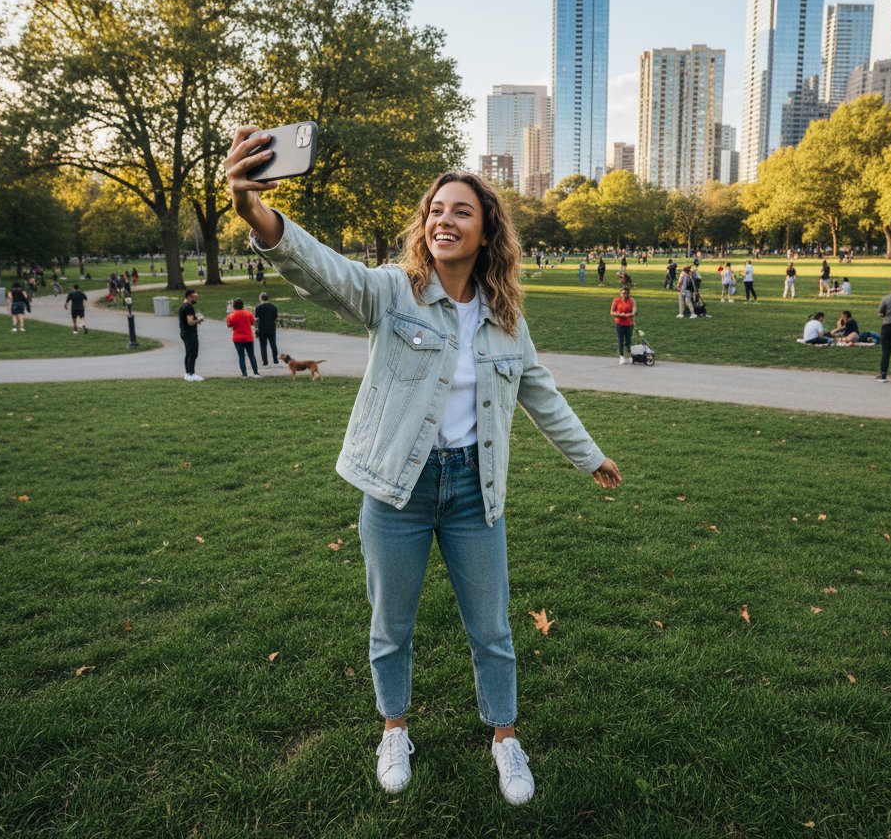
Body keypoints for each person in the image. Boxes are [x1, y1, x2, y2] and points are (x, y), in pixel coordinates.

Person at [225, 129, 621, 805]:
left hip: (474, 491)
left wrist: (589, 456)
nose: (444, 219)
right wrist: (257, 214)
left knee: (491, 627)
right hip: (396, 490)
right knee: (392, 625)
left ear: (487, 230)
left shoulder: (505, 317)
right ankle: (395, 727)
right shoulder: (391, 293)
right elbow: (322, 269)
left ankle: (504, 737)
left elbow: (540, 392)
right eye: (436, 209)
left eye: (461, 210)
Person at [226, 298, 260, 378]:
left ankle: (244, 374)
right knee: (251, 355)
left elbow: (229, 325)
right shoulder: (248, 313)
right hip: (248, 337)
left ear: (234, 306)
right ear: (243, 305)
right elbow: (252, 322)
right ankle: (256, 373)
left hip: (237, 338)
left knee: (241, 356)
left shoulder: (231, 315)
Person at [179, 288, 204, 382]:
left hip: (184, 332)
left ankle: (187, 373)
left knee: (188, 353)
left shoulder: (183, 306)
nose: (195, 299)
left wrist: (196, 318)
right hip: (189, 333)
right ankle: (191, 374)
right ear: (189, 297)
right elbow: (190, 322)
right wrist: (199, 319)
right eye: (194, 297)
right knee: (193, 353)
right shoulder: (189, 307)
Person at [611, 286, 635, 364]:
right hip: (619, 324)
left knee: (628, 341)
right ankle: (621, 356)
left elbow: (634, 311)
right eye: (623, 293)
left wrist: (630, 314)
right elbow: (612, 312)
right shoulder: (616, 300)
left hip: (629, 324)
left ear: (629, 294)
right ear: (620, 293)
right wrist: (620, 314)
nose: (625, 295)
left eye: (626, 293)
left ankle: (629, 356)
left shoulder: (632, 301)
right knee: (620, 341)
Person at [254, 291, 280, 366]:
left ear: (260, 298)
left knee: (263, 345)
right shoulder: (273, 307)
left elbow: (256, 318)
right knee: (273, 344)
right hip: (271, 327)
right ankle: (275, 359)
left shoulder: (258, 307)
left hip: (262, 328)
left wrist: (256, 328)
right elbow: (275, 316)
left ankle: (265, 361)